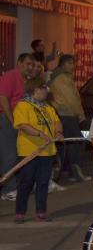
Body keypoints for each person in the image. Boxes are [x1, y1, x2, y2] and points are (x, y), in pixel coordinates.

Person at [13, 78, 63, 223]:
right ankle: (20, 212)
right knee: (26, 182)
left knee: (43, 182)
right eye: (44, 88)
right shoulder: (23, 106)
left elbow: (56, 121)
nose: (47, 91)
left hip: (47, 151)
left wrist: (58, 132)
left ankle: (41, 212)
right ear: (36, 90)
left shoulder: (47, 107)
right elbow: (22, 125)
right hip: (29, 151)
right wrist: (39, 133)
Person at [0, 53, 36, 201]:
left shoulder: (26, 80)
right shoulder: (10, 76)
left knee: (21, 153)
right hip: (8, 120)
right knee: (9, 155)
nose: (30, 67)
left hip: (21, 121)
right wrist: (12, 120)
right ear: (19, 62)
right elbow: (3, 98)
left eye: (32, 64)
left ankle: (20, 185)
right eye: (28, 64)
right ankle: (8, 190)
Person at [49, 54, 90, 182]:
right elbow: (71, 100)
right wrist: (81, 115)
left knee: (66, 144)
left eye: (73, 63)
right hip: (67, 114)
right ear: (63, 64)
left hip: (64, 114)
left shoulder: (62, 77)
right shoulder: (62, 79)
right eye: (70, 63)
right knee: (77, 141)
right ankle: (75, 171)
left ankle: (66, 171)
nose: (73, 66)